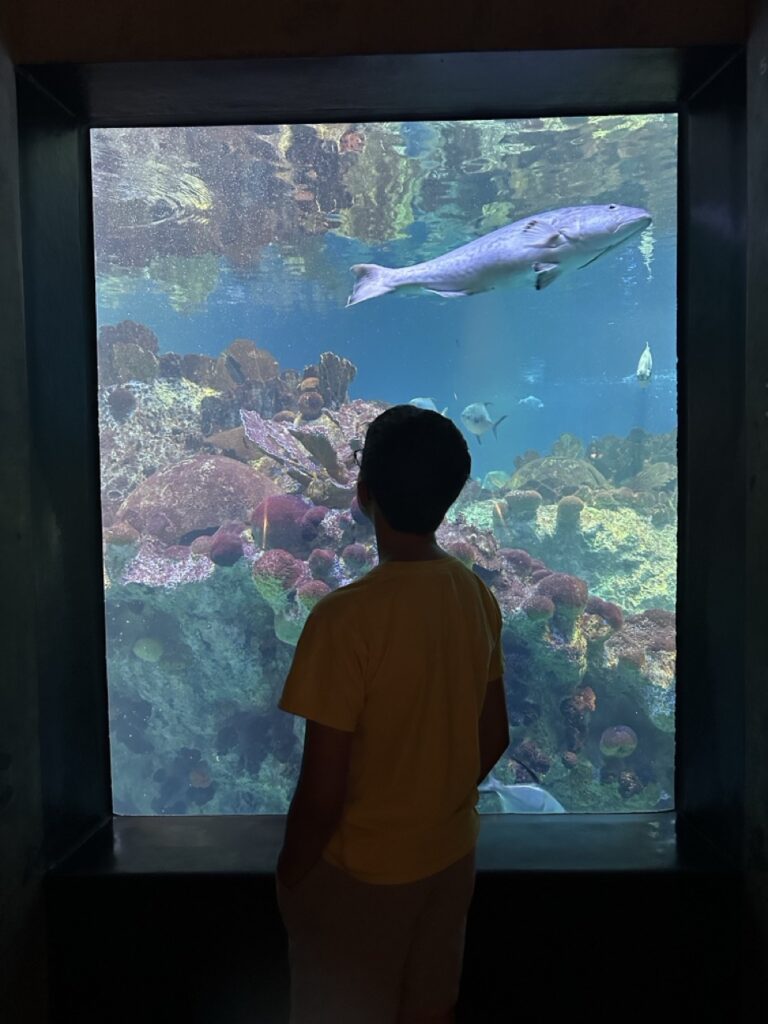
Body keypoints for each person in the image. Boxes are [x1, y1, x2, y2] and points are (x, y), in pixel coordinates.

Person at [275, 404, 509, 1024]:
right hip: (452, 861)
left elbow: (322, 792)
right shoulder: (474, 593)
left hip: (362, 877)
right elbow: (495, 734)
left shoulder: (343, 620)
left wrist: (291, 876)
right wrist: (431, 802)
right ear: (450, 499)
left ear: (362, 494)